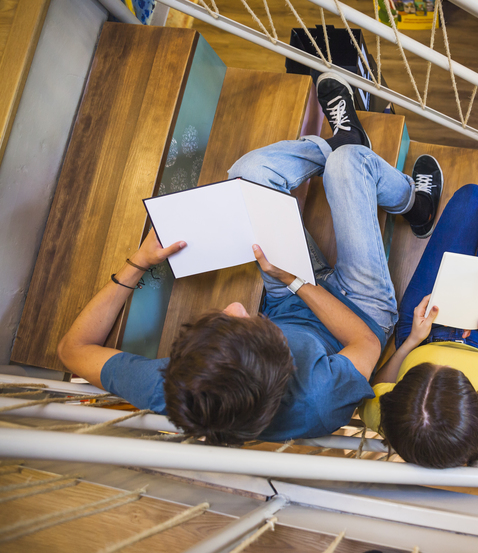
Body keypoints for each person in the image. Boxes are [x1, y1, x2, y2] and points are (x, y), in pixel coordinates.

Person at [57, 72, 444, 445]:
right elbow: (365, 343)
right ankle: (415, 204)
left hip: (289, 300)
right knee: (350, 165)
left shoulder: (192, 389)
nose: (236, 306)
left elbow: (72, 351)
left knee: (249, 175)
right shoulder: (318, 402)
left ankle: (336, 144)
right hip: (361, 313)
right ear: (281, 367)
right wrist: (294, 282)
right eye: (244, 326)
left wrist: (138, 263)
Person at [359, 181, 478, 469]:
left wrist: (411, 343)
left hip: (424, 331)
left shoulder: (384, 415)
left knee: (470, 197)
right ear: (475, 410)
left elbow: (381, 384)